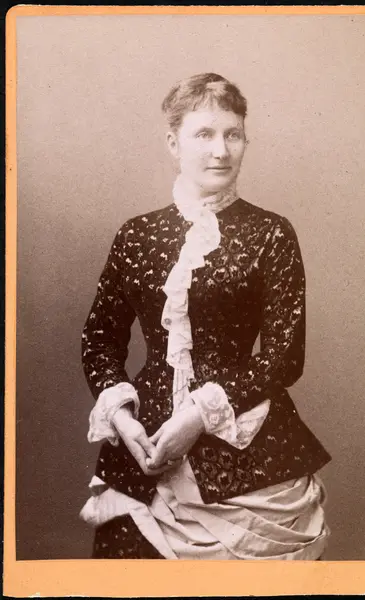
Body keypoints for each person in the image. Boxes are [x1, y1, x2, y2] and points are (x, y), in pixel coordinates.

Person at [80, 72, 332, 560]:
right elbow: (99, 339)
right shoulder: (136, 235)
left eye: (232, 134)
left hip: (248, 452)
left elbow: (284, 357)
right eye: (204, 134)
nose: (221, 150)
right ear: (173, 143)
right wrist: (123, 419)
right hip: (145, 449)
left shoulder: (271, 233)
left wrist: (198, 416)